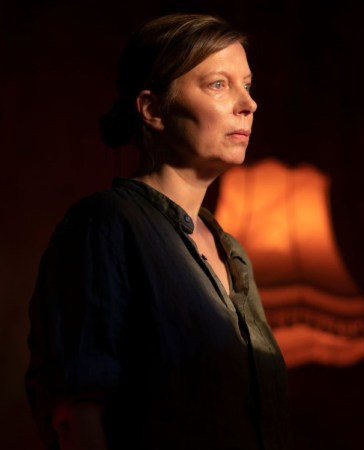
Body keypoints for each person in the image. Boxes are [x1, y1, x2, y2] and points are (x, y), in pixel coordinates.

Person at [26, 13, 290, 450]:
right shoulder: (105, 226)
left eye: (248, 85)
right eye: (219, 84)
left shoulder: (232, 252)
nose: (249, 104)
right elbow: (78, 414)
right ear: (152, 109)